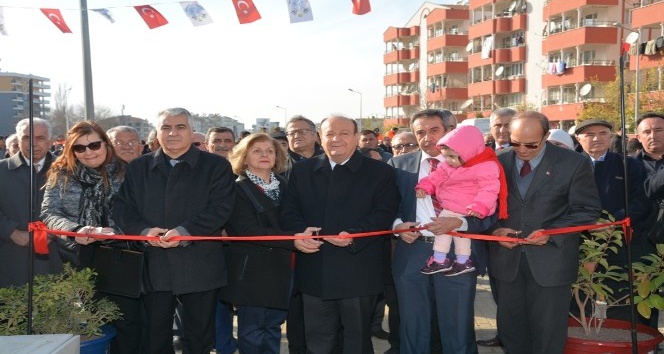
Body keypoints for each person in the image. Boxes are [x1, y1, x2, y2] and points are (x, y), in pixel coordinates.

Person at [113, 107, 236, 354]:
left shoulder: (216, 166)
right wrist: (145, 232)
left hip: (200, 265)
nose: (173, 133)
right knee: (154, 338)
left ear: (192, 132)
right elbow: (123, 208)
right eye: (166, 127)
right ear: (156, 133)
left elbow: (221, 208)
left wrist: (185, 231)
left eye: (180, 127)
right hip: (153, 265)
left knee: (199, 339)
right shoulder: (139, 167)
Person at [281, 115, 400, 354]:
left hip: (358, 269)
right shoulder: (302, 171)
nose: (336, 139)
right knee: (318, 340)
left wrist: (356, 235)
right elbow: (289, 210)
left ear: (356, 137)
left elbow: (384, 212)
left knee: (356, 341)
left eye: (344, 133)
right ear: (319, 138)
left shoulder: (379, 172)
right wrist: (300, 234)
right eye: (329, 134)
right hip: (315, 268)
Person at [489, 111, 601, 354]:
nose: (522, 150)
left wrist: (552, 232)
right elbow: (485, 206)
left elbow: (587, 210)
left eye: (530, 144)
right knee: (510, 329)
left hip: (551, 262)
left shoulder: (573, 163)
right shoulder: (498, 160)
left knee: (548, 332)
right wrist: (496, 230)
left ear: (546, 136)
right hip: (508, 263)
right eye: (515, 142)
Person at [389, 109, 492, 354]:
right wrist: (397, 225)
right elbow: (385, 204)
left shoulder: (477, 163)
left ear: (449, 131)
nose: (427, 138)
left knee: (456, 325)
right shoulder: (399, 164)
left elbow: (492, 212)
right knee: (413, 325)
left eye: (434, 130)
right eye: (420, 132)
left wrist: (460, 224)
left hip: (458, 253)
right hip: (412, 251)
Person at [40, 121, 142, 354]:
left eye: (94, 144)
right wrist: (77, 231)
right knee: (93, 321)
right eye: (80, 148)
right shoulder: (61, 173)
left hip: (123, 256)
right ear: (71, 150)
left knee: (128, 323)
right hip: (77, 258)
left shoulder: (127, 171)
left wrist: (114, 232)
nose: (88, 152)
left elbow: (138, 213)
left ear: (106, 144)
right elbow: (49, 213)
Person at [222, 133, 315, 354]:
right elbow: (247, 230)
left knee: (273, 326)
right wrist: (293, 240)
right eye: (257, 150)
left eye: (270, 151)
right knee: (252, 331)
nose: (265, 155)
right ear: (244, 157)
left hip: (284, 269)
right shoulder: (236, 189)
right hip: (252, 272)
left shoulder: (284, 184)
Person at [574, 119, 651, 322]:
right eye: (590, 134)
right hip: (576, 241)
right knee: (579, 296)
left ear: (611, 136)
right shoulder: (568, 164)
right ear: (578, 138)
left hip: (616, 242)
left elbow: (640, 201)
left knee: (618, 296)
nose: (597, 138)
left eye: (603, 133)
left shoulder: (629, 165)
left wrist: (610, 223)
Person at [415, 125, 506, 276]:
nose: (449, 161)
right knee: (457, 235)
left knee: (450, 233)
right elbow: (436, 177)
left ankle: (441, 259)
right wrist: (426, 185)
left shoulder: (486, 166)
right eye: (446, 156)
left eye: (452, 156)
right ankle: (460, 261)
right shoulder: (448, 165)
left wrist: (481, 205)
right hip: (452, 205)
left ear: (468, 152)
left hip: (469, 208)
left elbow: (489, 189)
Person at [0, 118, 63, 288]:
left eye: (40, 138)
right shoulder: (1, 170)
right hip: (9, 260)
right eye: (26, 137)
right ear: (18, 140)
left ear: (51, 141)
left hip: (56, 260)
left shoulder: (67, 170)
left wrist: (56, 231)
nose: (33, 143)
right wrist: (10, 231)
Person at [634, 112, 664, 328]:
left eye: (659, 130)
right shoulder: (628, 166)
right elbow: (647, 191)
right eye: (647, 131)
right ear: (638, 136)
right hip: (644, 243)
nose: (653, 135)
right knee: (645, 300)